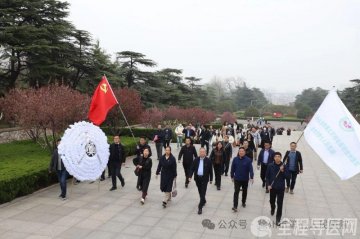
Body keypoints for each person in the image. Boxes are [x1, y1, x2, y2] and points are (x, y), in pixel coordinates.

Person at [266, 152, 290, 226]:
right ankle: (273, 208)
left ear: (281, 158)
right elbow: (267, 176)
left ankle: (278, 218)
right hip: (272, 187)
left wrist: (282, 171)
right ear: (274, 158)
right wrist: (268, 185)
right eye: (275, 156)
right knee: (272, 201)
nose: (277, 158)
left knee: (280, 204)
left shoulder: (284, 166)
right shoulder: (270, 165)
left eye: (278, 156)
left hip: (280, 188)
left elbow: (288, 177)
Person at [188, 148, 213, 215]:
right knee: (200, 191)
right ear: (199, 153)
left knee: (203, 191)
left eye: (203, 152)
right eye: (201, 152)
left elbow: (211, 170)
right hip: (197, 179)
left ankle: (200, 207)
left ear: (205, 153)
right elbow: (192, 168)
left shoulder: (208, 160)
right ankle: (203, 200)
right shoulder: (196, 160)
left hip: (205, 179)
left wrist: (211, 179)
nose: (202, 153)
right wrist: (190, 176)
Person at [231, 147, 254, 211]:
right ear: (238, 152)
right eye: (240, 151)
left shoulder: (248, 160)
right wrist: (232, 176)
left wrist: (251, 177)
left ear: (244, 152)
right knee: (236, 192)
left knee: (244, 191)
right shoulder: (235, 159)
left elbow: (251, 169)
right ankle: (235, 206)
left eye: (242, 151)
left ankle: (243, 202)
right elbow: (232, 168)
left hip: (245, 179)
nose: (241, 152)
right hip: (237, 179)